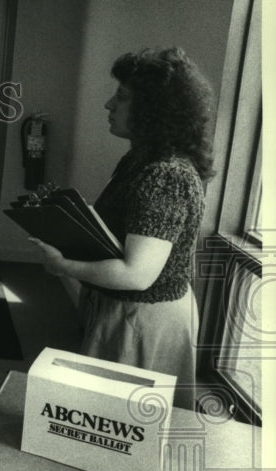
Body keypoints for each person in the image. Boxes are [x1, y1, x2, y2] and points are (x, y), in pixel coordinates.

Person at [30, 47, 214, 409]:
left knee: (120, 428)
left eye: (123, 97)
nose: (108, 104)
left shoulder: (165, 174)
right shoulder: (141, 159)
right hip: (127, 312)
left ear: (154, 109)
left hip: (142, 320)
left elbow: (137, 275)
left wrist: (61, 266)